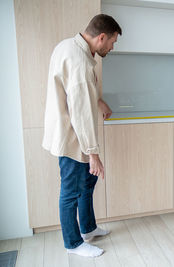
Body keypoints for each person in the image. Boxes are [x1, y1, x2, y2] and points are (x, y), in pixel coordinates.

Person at [42, 14, 121, 257]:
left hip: (68, 132)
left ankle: (88, 227)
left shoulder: (68, 47)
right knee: (72, 190)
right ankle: (73, 243)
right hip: (72, 137)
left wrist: (99, 101)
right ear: (101, 37)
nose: (112, 47)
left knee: (87, 183)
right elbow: (81, 113)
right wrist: (93, 153)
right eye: (112, 42)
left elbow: (77, 91)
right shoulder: (81, 62)